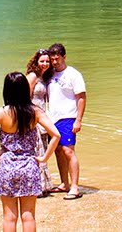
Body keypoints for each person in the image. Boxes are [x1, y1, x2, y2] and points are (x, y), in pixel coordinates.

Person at [0, 71, 60, 232]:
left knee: (9, 216)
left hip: (7, 166)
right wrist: (44, 158)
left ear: (6, 90)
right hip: (29, 164)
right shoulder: (35, 112)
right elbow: (56, 135)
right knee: (28, 216)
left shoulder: (2, 112)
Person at [46, 42, 86, 199]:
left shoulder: (73, 74)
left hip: (68, 117)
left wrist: (78, 120)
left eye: (57, 59)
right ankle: (64, 183)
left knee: (68, 151)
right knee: (57, 151)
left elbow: (81, 97)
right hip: (52, 118)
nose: (55, 62)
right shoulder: (50, 74)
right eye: (52, 59)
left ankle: (75, 187)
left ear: (64, 57)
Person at [25, 49, 53, 193]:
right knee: (36, 149)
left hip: (42, 116)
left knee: (42, 148)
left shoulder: (44, 77)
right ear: (36, 62)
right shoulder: (32, 76)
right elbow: (25, 98)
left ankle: (43, 185)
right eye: (42, 61)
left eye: (47, 61)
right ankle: (35, 186)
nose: (45, 64)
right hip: (33, 117)